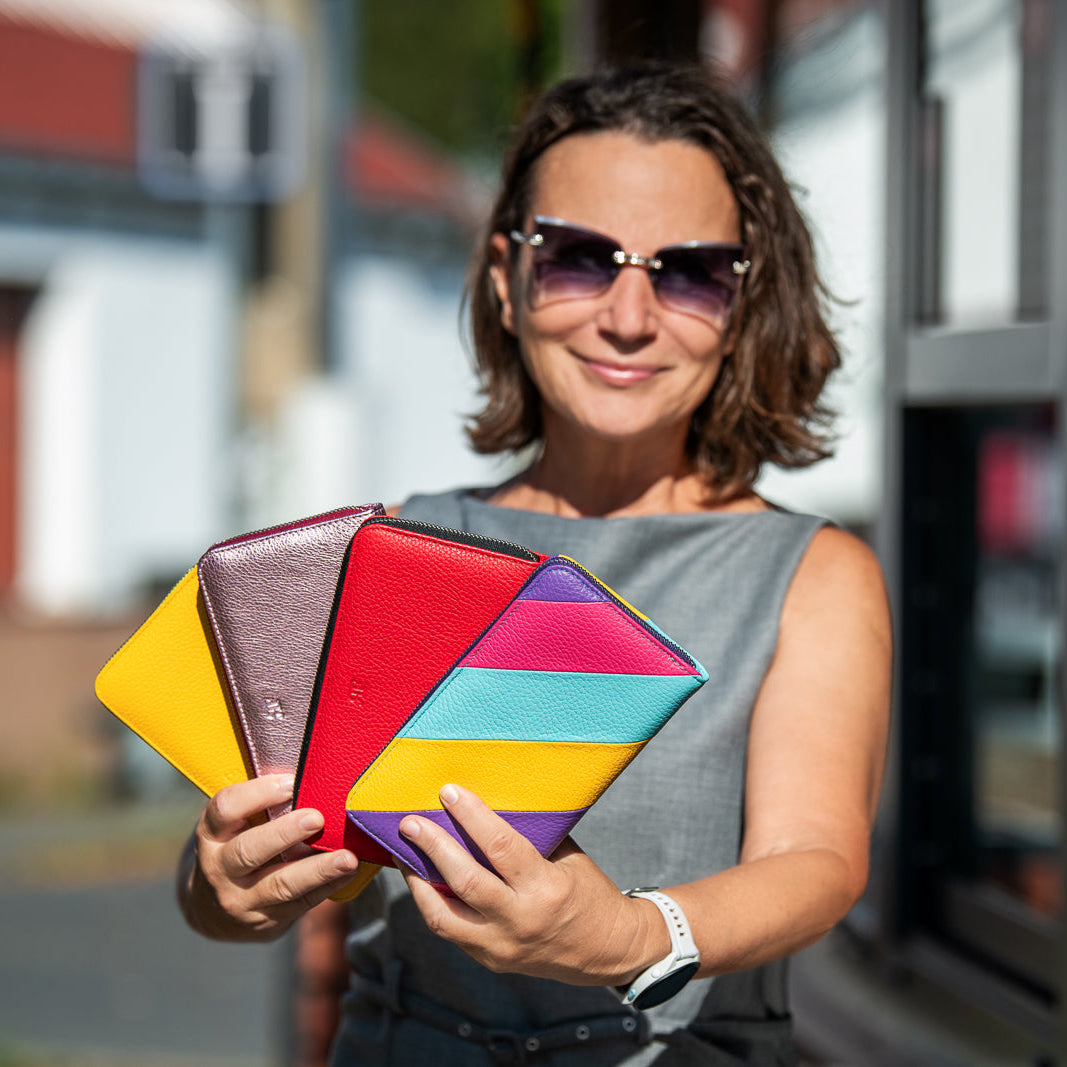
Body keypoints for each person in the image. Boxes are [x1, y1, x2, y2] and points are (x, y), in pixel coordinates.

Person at [177, 63, 891, 1065]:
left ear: (742, 305)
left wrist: (633, 936)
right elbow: (272, 875)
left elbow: (813, 861)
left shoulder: (810, 572)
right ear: (507, 280)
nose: (629, 316)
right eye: (579, 259)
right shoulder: (397, 546)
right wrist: (218, 886)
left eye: (687, 271)